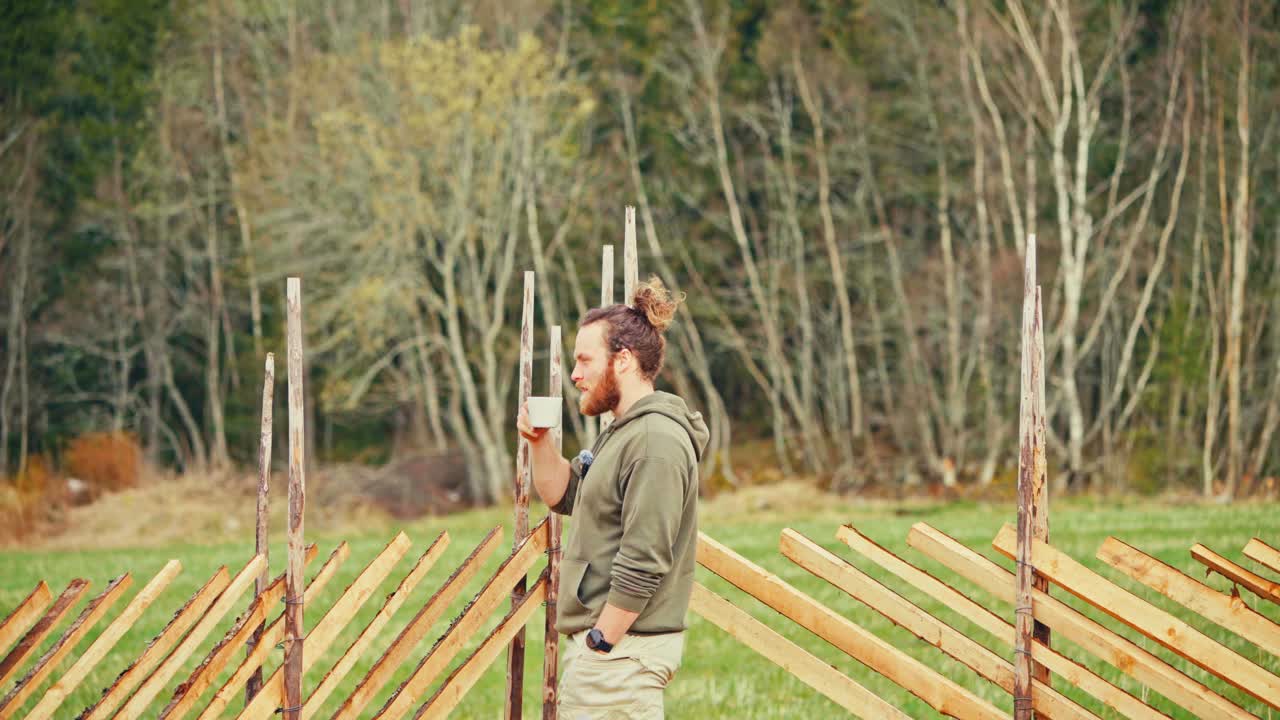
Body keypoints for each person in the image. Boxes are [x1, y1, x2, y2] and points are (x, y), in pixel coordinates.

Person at [516, 276, 709, 719]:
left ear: (622, 360)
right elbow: (562, 495)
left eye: (585, 360)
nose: (576, 375)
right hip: (612, 656)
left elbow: (645, 556)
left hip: (620, 656)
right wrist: (539, 440)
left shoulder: (655, 440)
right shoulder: (623, 433)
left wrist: (601, 642)